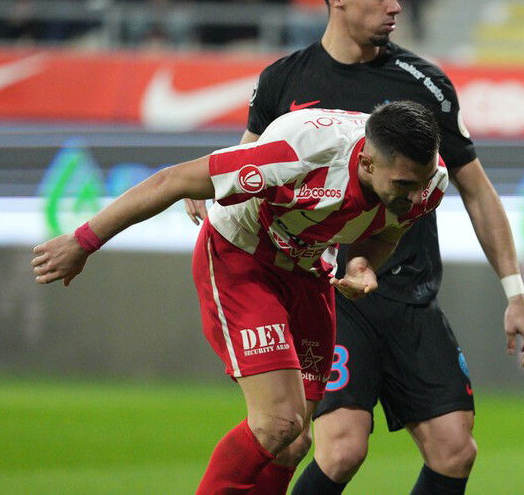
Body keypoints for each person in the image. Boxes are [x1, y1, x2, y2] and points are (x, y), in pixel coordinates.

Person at [184, 0, 524, 494]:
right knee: (343, 446)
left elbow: (477, 190)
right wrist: (206, 188)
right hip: (327, 284)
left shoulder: (424, 86)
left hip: (408, 285)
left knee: (455, 447)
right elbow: (242, 161)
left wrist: (514, 290)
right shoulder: (285, 80)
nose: (396, 5)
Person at [33, 100, 450, 494]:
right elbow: (173, 180)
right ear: (366, 162)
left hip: (308, 271)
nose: (416, 196)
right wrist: (83, 241)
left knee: (293, 442)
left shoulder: (428, 181)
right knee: (277, 423)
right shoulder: (299, 153)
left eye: (421, 182)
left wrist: (362, 264)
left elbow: (389, 230)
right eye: (404, 184)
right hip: (242, 258)